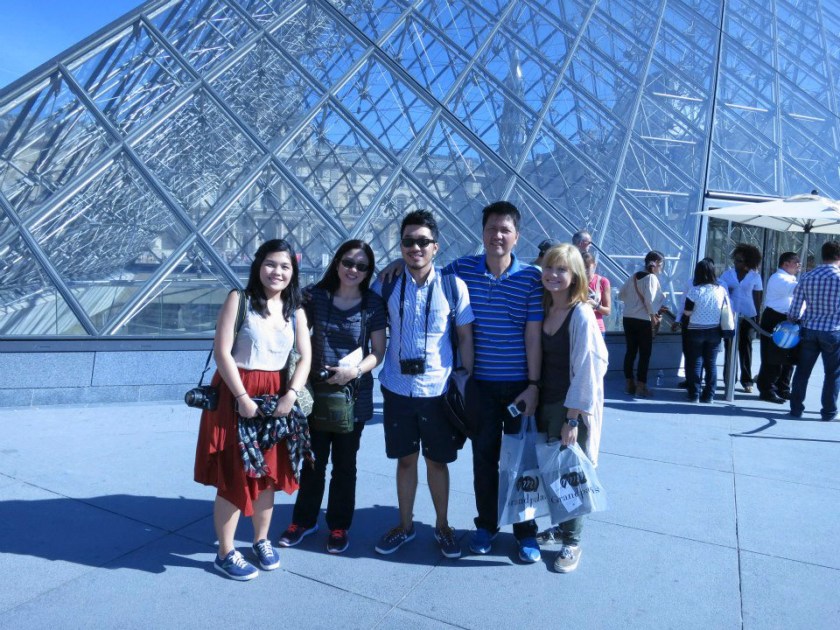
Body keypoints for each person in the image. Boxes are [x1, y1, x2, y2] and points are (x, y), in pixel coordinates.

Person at [379, 201, 544, 561]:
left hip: (518, 385)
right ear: (481, 233)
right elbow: (423, 267)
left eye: (504, 230)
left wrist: (534, 384)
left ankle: (525, 531)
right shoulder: (461, 271)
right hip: (479, 387)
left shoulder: (531, 277)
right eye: (490, 229)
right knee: (484, 458)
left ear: (517, 235)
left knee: (522, 461)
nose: (497, 236)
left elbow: (534, 335)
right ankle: (486, 525)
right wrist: (396, 264)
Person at [194, 239, 311, 581]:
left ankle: (261, 540)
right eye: (271, 264)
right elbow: (222, 352)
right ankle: (225, 551)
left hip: (276, 396)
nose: (277, 272)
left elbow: (304, 356)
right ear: (259, 266)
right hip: (236, 393)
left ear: (294, 272)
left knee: (268, 474)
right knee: (234, 474)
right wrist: (242, 397)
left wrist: (291, 393)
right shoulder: (239, 299)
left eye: (285, 266)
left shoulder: (296, 310)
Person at [372, 210, 475, 558]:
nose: (415, 247)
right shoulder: (385, 284)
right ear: (400, 246)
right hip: (397, 388)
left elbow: (464, 336)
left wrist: (466, 382)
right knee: (404, 461)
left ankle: (443, 526)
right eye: (407, 241)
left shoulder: (452, 285)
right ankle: (405, 525)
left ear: (436, 246)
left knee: (436, 462)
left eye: (422, 241)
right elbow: (350, 296)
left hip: (437, 391)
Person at [278, 240, 387, 554]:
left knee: (345, 465)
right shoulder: (315, 297)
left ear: (368, 271)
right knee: (313, 461)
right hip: (316, 393)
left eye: (362, 265)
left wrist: (353, 372)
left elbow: (378, 351)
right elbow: (292, 325)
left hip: (353, 396)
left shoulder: (372, 304)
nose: (353, 269)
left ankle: (339, 525)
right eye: (348, 262)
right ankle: (304, 520)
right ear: (337, 262)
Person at [535, 244, 608, 572]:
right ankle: (562, 527)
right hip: (546, 403)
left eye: (562, 269)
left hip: (568, 409)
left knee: (570, 476)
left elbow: (589, 370)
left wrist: (572, 418)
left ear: (576, 275)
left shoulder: (580, 314)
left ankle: (572, 542)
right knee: (553, 473)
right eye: (549, 268)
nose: (553, 275)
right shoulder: (546, 305)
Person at [788, 240, 840, 421]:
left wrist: (794, 319)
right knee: (832, 373)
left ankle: (796, 408)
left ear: (822, 255)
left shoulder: (807, 277)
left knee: (802, 371)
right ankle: (828, 411)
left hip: (809, 328)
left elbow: (794, 310)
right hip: (833, 329)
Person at [618, 250, 666, 397]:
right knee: (645, 354)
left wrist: (633, 303)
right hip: (643, 320)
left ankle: (628, 383)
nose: (661, 269)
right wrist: (654, 315)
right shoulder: (651, 278)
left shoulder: (633, 277)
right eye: (661, 265)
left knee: (630, 351)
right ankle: (641, 386)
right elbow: (650, 301)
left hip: (628, 318)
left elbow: (621, 295)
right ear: (656, 264)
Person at [682, 258, 730, 403]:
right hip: (714, 330)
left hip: (695, 329)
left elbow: (687, 312)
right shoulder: (721, 290)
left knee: (695, 362)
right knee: (711, 363)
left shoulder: (694, 291)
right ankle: (709, 395)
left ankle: (694, 393)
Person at [756, 252, 800, 403]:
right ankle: (767, 389)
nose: (798, 267)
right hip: (775, 318)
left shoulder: (790, 278)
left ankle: (783, 387)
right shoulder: (778, 278)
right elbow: (795, 289)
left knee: (789, 357)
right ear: (786, 264)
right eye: (796, 263)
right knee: (772, 356)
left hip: (790, 320)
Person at [719, 244, 763, 393]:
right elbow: (720, 293)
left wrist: (758, 317)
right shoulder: (727, 275)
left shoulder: (755, 276)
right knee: (729, 347)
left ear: (748, 263)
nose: (736, 263)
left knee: (746, 348)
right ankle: (729, 378)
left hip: (748, 316)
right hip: (730, 315)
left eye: (740, 261)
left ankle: (747, 380)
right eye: (736, 260)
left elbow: (757, 297)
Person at [582, 252, 610, 335]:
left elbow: (607, 311)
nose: (584, 270)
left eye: (587, 267)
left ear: (594, 265)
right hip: (579, 327)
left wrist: (595, 305)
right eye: (581, 267)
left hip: (597, 329)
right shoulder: (573, 282)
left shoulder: (602, 282)